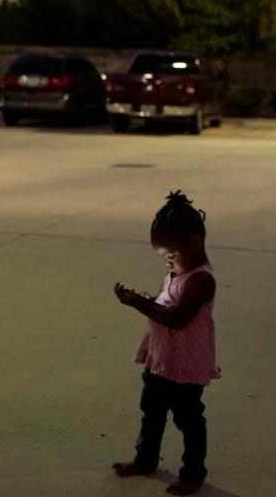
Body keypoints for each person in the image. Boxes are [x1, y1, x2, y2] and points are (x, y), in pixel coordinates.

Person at [112, 191, 221, 496]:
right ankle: (145, 459)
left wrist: (137, 304)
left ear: (195, 242)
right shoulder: (176, 272)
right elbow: (166, 305)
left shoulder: (201, 280)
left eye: (170, 253)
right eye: (162, 254)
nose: (166, 259)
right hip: (161, 359)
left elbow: (177, 318)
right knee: (152, 411)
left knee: (188, 419)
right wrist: (149, 300)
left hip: (185, 366)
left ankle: (193, 473)